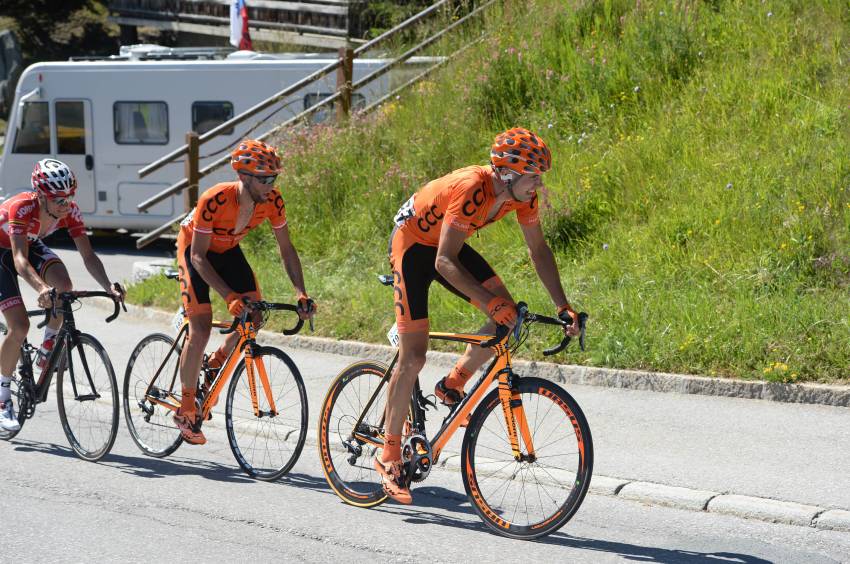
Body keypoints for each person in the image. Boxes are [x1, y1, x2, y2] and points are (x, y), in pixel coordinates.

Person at [377, 128, 582, 503]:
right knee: (414, 356)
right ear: (507, 173)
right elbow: (442, 260)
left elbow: (538, 250)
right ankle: (388, 453)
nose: (539, 183)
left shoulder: (522, 196)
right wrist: (489, 303)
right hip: (412, 247)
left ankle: (452, 384)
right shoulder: (473, 187)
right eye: (533, 174)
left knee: (509, 314)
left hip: (447, 246)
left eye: (540, 175)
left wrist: (562, 305)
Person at [174, 139, 316, 445]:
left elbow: (287, 250)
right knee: (199, 328)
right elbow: (198, 257)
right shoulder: (215, 199)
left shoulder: (273, 201)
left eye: (274, 178)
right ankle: (186, 407)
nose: (270, 185)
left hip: (227, 252)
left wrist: (301, 292)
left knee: (255, 315)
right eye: (264, 179)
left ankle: (216, 361)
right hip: (194, 251)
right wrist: (228, 296)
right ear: (244, 176)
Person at [0, 159, 125, 431]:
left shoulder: (70, 211)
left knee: (64, 287)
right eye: (58, 199)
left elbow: (89, 257)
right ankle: (2, 398)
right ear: (41, 195)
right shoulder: (22, 207)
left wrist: (108, 287)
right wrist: (41, 289)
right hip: (4, 252)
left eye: (69, 196)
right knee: (19, 326)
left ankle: (47, 349)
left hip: (30, 244)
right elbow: (20, 260)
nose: (65, 204)